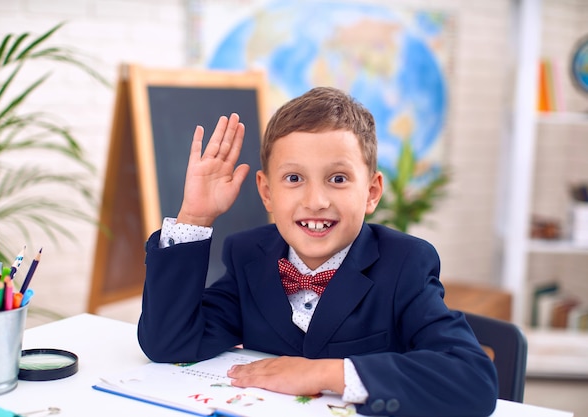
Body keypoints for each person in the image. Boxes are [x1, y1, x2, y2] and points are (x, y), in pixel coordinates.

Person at [137, 86, 498, 416]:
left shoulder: (404, 265)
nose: (316, 201)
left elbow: (473, 378)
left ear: (371, 192)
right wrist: (195, 217)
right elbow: (169, 342)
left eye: (338, 179)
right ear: (266, 192)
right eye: (294, 178)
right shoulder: (249, 256)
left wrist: (324, 372)